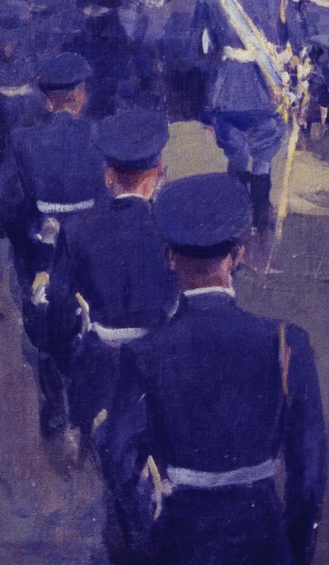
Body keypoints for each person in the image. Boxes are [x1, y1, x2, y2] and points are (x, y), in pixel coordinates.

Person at [96, 173, 328, 565]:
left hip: (180, 539)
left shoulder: (144, 353)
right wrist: (295, 550)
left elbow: (119, 460)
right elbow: (309, 476)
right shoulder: (287, 342)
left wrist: (144, 535)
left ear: (169, 257)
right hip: (264, 537)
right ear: (239, 254)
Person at [43, 107, 177, 554]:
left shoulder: (78, 230)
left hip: (101, 367)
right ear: (158, 172)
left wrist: (70, 365)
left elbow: (60, 310)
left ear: (107, 176)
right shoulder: (171, 228)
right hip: (162, 367)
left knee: (116, 480)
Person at [3, 50, 103, 441]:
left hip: (41, 253)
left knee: (43, 328)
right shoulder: (98, 137)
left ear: (47, 100)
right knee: (87, 321)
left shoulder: (23, 140)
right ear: (81, 95)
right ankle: (85, 409)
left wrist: (29, 241)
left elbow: (10, 203)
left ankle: (55, 411)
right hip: (89, 251)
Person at [195, 0, 294, 246]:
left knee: (236, 155)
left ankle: (236, 218)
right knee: (263, 156)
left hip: (227, 92)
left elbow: (199, 51)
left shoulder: (211, 1)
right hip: (267, 93)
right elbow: (296, 45)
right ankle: (261, 217)